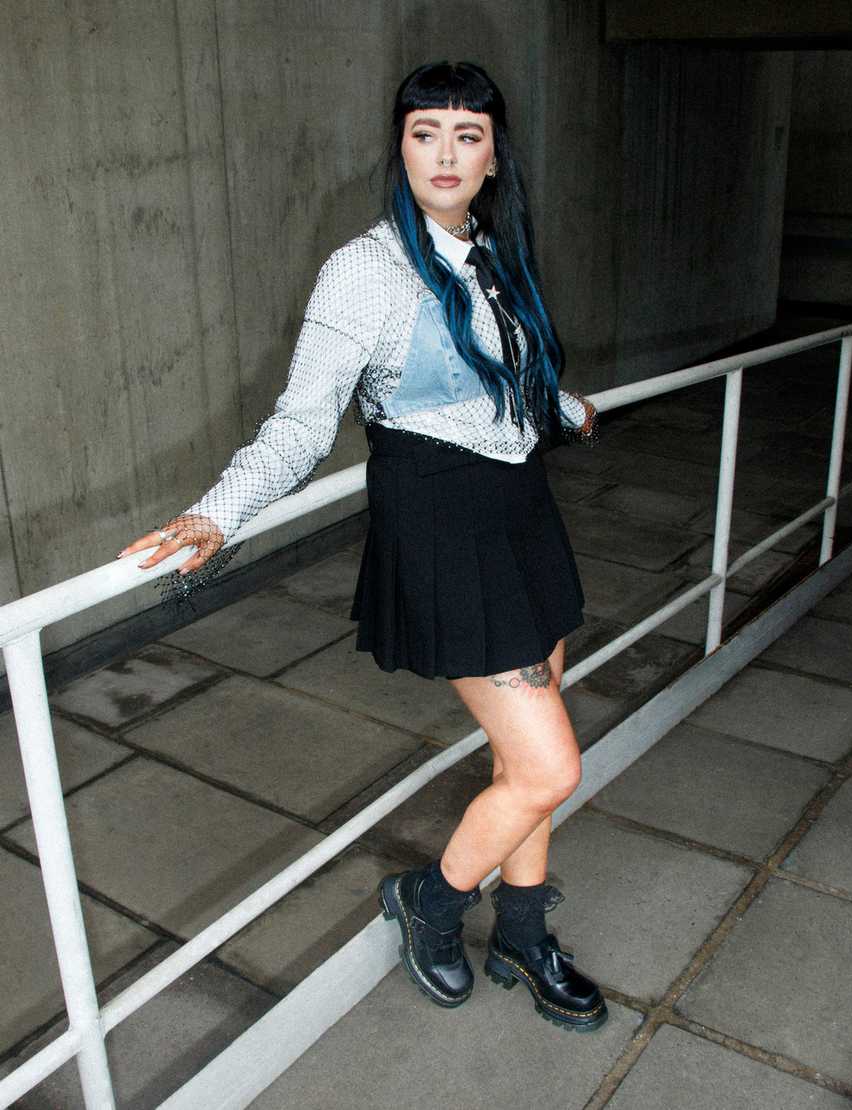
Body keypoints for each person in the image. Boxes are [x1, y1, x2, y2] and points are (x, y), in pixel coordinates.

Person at [119, 61, 606, 1033]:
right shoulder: (365, 270)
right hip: (443, 526)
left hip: (520, 514)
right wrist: (221, 513)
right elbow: (302, 423)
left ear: (494, 158)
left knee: (523, 764)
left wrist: (564, 409)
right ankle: (432, 899)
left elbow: (498, 382)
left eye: (467, 136)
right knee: (549, 769)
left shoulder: (493, 252)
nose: (445, 154)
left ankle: (521, 932)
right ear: (401, 147)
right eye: (426, 133)